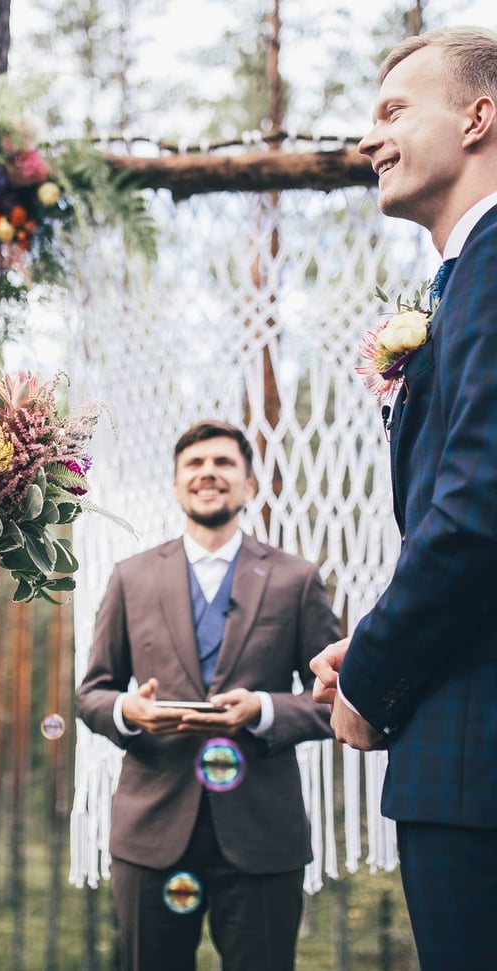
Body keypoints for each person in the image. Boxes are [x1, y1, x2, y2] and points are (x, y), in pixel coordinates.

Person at [309, 27, 497, 971]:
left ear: (479, 116)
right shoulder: (464, 278)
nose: (367, 138)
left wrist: (373, 676)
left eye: (391, 112)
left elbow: (477, 513)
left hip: (477, 755)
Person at [76, 419, 340, 971]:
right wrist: (129, 710)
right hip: (150, 833)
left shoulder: (296, 579)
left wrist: (262, 709)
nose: (208, 474)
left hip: (263, 836)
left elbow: (339, 696)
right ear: (176, 486)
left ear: (249, 485)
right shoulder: (132, 577)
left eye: (223, 463)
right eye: (194, 465)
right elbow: (93, 694)